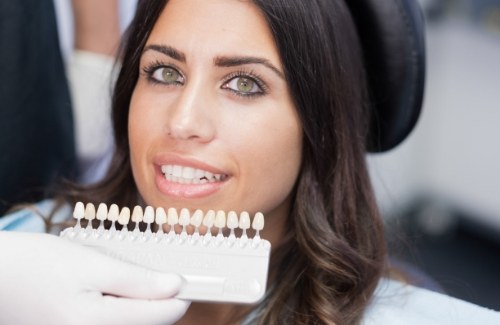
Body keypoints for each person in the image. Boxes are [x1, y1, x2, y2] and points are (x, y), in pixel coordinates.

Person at [1, 0, 499, 324]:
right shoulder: (24, 255)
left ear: (319, 126)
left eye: (244, 83)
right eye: (164, 72)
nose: (182, 121)